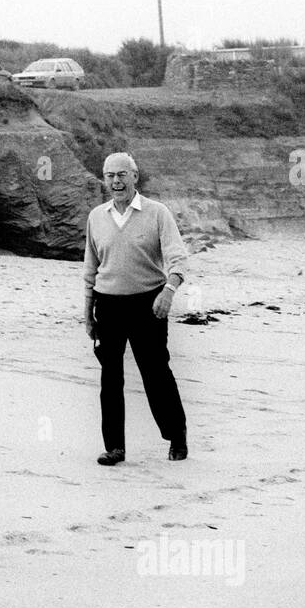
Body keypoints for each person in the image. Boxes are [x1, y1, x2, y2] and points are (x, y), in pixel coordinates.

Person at [83, 152, 189, 465]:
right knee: (110, 378)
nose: (116, 182)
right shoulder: (96, 217)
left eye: (122, 175)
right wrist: (87, 312)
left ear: (134, 177)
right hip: (108, 304)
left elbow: (178, 259)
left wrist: (169, 291)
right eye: (110, 176)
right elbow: (91, 267)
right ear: (104, 179)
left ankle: (176, 435)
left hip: (149, 303)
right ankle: (115, 446)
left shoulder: (157, 213)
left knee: (156, 373)